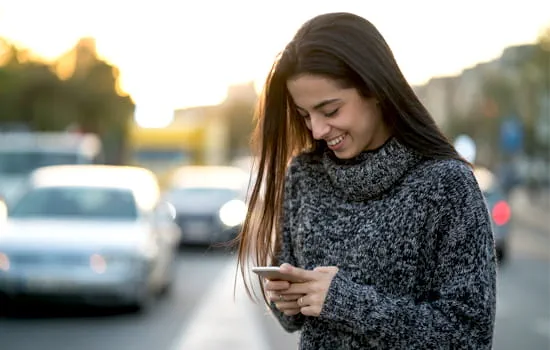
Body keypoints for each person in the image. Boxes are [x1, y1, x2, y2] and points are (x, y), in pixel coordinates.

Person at [236, 12, 497, 350]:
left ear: (375, 89)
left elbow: (470, 336)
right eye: (304, 115)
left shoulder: (446, 184)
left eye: (330, 111)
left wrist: (345, 301)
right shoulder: (303, 175)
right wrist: (286, 298)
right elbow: (293, 320)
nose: (316, 130)